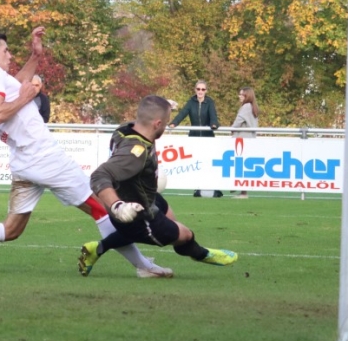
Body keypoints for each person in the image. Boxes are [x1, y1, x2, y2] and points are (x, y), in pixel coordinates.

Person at [0, 28, 172, 278]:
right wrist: (28, 95)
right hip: (44, 156)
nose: (9, 56)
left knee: (12, 229)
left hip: (24, 161)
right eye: (5, 51)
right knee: (102, 208)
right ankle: (144, 267)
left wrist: (36, 57)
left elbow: (16, 86)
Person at [78, 95, 238, 276]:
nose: (166, 127)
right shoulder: (135, 152)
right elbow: (100, 175)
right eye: (165, 123)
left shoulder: (125, 129)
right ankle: (202, 254)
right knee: (185, 236)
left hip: (146, 197)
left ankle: (98, 248)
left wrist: (165, 106)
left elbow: (147, 114)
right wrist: (118, 206)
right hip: (137, 214)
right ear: (157, 123)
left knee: (172, 221)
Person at [169, 79, 220, 197]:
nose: (200, 91)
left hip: (208, 138)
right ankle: (197, 188)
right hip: (194, 137)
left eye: (203, 89)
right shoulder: (191, 102)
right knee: (196, 163)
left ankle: (213, 188)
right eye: (198, 89)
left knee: (208, 163)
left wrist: (214, 124)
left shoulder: (210, 102)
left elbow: (213, 116)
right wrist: (174, 123)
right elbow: (183, 113)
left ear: (206, 91)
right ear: (195, 90)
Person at [230, 86, 259, 198]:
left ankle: (240, 189)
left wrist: (231, 129)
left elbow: (238, 121)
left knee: (238, 164)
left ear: (247, 96)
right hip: (249, 138)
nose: (239, 96)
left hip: (243, 139)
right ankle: (240, 189)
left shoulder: (246, 107)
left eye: (242, 95)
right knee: (242, 166)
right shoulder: (252, 107)